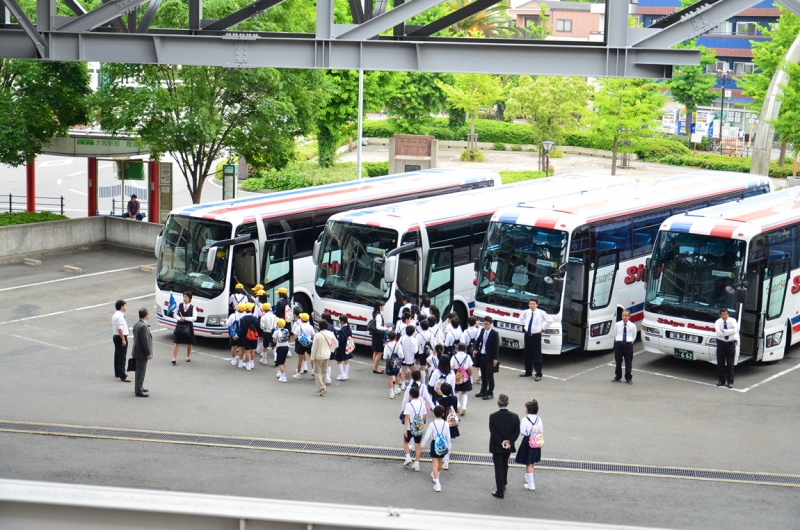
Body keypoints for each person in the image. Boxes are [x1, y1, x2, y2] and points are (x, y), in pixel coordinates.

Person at [488, 394, 520, 499]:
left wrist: (501, 442)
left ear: (498, 403)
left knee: (498, 467)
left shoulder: (493, 417)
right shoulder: (515, 416)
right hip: (508, 446)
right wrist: (509, 442)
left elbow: (493, 432)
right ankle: (504, 483)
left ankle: (499, 491)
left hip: (497, 446)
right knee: (505, 464)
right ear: (508, 403)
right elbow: (517, 432)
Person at [519, 299, 553, 381]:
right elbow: (521, 318)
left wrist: (543, 328)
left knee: (536, 355)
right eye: (530, 304)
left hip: (536, 335)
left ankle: (538, 374)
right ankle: (528, 371)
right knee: (527, 353)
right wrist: (526, 326)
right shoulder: (526, 312)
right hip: (527, 334)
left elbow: (550, 321)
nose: (531, 305)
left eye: (533, 304)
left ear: (537, 305)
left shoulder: (541, 313)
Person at [421, 405, 450, 492]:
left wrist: (422, 445)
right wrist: (448, 445)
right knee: (440, 461)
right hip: (443, 443)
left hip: (434, 443)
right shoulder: (446, 423)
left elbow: (427, 436)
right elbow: (448, 436)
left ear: (434, 414)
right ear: (443, 414)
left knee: (434, 463)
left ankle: (437, 483)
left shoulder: (432, 424)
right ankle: (437, 474)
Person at [516, 399, 543, 491]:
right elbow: (541, 430)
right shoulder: (539, 419)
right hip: (536, 440)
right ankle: (528, 476)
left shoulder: (525, 419)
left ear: (528, 410)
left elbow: (523, 432)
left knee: (528, 462)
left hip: (528, 441)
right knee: (532, 460)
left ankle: (531, 483)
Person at [402, 385, 427, 472]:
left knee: (406, 441)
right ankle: (417, 464)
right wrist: (422, 423)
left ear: (410, 395)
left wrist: (405, 429)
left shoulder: (408, 404)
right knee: (417, 445)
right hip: (419, 426)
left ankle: (408, 457)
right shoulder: (422, 404)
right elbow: (424, 417)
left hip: (410, 427)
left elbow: (407, 417)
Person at [310, 319, 337, 396]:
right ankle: (323, 385)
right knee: (324, 371)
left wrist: (312, 357)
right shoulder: (331, 333)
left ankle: (322, 387)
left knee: (316, 372)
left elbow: (314, 347)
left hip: (319, 355)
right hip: (327, 355)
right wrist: (331, 349)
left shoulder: (317, 335)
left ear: (320, 326)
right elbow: (336, 343)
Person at [436, 382, 460, 471]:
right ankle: (447, 461)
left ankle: (443, 460)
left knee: (443, 440)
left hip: (442, 423)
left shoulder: (439, 401)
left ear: (441, 391)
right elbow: (458, 410)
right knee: (449, 441)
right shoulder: (454, 398)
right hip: (451, 423)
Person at [476, 316, 499, 400]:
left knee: (490, 375)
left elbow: (496, 347)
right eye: (484, 324)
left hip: (490, 357)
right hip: (482, 354)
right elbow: (478, 341)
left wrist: (495, 358)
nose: (485, 326)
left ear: (491, 324)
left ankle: (490, 392)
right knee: (483, 374)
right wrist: (475, 349)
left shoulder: (494, 333)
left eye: (487, 324)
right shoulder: (482, 331)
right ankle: (483, 390)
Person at [131, 308, 153, 397]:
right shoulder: (143, 326)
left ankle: (139, 387)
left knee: (139, 371)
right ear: (146, 315)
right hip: (141, 353)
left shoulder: (137, 324)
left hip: (136, 351)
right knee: (141, 372)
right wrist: (149, 353)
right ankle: (138, 390)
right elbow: (145, 341)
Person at [715, 308, 739, 388]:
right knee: (720, 363)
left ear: (728, 314)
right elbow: (718, 333)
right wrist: (729, 330)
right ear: (720, 315)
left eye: (726, 314)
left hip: (731, 344)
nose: (724, 316)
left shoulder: (733, 321)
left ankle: (730, 382)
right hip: (721, 344)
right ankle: (721, 380)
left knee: (730, 364)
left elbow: (734, 331)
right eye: (722, 314)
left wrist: (724, 331)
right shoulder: (718, 322)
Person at [171, 291, 196, 365]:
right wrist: (179, 318)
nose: (184, 298)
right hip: (180, 325)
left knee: (189, 342)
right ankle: (174, 358)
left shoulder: (192, 307)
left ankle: (188, 356)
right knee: (177, 342)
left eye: (186, 297)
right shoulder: (179, 305)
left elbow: (194, 318)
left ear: (190, 299)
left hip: (188, 325)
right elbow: (175, 314)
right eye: (184, 296)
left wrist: (186, 318)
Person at [613, 310, 637, 384]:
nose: (624, 317)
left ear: (629, 317)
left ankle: (628, 377)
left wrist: (628, 342)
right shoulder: (617, 324)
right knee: (618, 361)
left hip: (628, 344)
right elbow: (615, 334)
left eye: (626, 316)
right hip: (619, 344)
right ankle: (618, 376)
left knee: (628, 361)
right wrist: (618, 341)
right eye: (623, 315)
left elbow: (634, 336)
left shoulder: (632, 326)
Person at [451, 342, 473, 415]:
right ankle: (464, 406)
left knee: (456, 391)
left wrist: (455, 368)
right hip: (465, 373)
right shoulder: (468, 356)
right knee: (464, 392)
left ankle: (458, 406)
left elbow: (451, 366)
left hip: (456, 374)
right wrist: (470, 375)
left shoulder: (454, 357)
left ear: (457, 349)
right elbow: (470, 367)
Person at [111, 300, 131, 383]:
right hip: (120, 337)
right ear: (122, 306)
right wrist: (123, 339)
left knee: (117, 355)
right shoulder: (119, 316)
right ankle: (122, 375)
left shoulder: (116, 315)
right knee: (122, 356)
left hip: (116, 336)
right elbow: (120, 329)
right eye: (125, 305)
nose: (126, 307)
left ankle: (118, 372)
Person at [292, 313, 315, 379]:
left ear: (301, 319)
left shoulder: (299, 326)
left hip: (300, 343)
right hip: (309, 342)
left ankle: (298, 373)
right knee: (312, 357)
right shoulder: (310, 327)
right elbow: (313, 336)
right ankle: (313, 371)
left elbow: (295, 336)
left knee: (300, 359)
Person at [238, 303, 260, 370]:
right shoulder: (255, 318)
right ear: (251, 310)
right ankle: (252, 363)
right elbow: (258, 328)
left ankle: (248, 365)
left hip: (245, 336)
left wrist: (239, 336)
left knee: (247, 350)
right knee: (252, 350)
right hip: (254, 336)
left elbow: (241, 329)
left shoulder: (242, 319)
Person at [371, 301, 388, 374]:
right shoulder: (378, 315)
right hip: (379, 335)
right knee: (379, 352)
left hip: (375, 334)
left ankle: (375, 366)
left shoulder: (375, 313)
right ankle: (376, 368)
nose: (384, 307)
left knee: (375, 351)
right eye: (383, 306)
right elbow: (378, 327)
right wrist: (386, 328)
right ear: (380, 307)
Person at [399, 323, 418, 390]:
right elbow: (415, 350)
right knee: (412, 371)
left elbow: (399, 347)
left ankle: (403, 385)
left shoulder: (402, 338)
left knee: (403, 371)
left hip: (403, 357)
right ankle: (411, 383)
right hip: (411, 358)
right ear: (413, 332)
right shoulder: (414, 340)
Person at [383, 331, 402, 398]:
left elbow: (384, 356)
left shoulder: (386, 345)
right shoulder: (398, 345)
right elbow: (401, 354)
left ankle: (391, 393)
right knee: (397, 375)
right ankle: (396, 389)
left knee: (390, 378)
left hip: (389, 362)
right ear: (395, 337)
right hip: (396, 361)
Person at [335, 314, 353, 381]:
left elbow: (341, 340)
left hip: (341, 347)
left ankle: (342, 375)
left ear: (342, 321)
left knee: (339, 360)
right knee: (346, 360)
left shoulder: (342, 330)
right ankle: (346, 374)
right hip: (347, 347)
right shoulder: (348, 328)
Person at [273, 318, 290, 383]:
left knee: (280, 362)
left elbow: (274, 340)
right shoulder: (286, 330)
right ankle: (281, 372)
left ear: (278, 324)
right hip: (286, 347)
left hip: (280, 347)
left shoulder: (276, 331)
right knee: (283, 361)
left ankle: (283, 377)